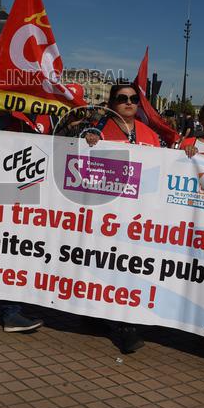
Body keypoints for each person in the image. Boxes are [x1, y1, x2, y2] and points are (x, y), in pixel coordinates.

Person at [84, 82, 162, 354]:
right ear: (111, 103)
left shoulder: (151, 135)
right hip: (107, 216)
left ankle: (126, 325)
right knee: (106, 267)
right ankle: (101, 316)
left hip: (139, 217)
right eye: (121, 99)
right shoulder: (97, 131)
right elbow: (77, 153)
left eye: (133, 99)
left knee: (130, 269)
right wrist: (87, 141)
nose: (128, 103)